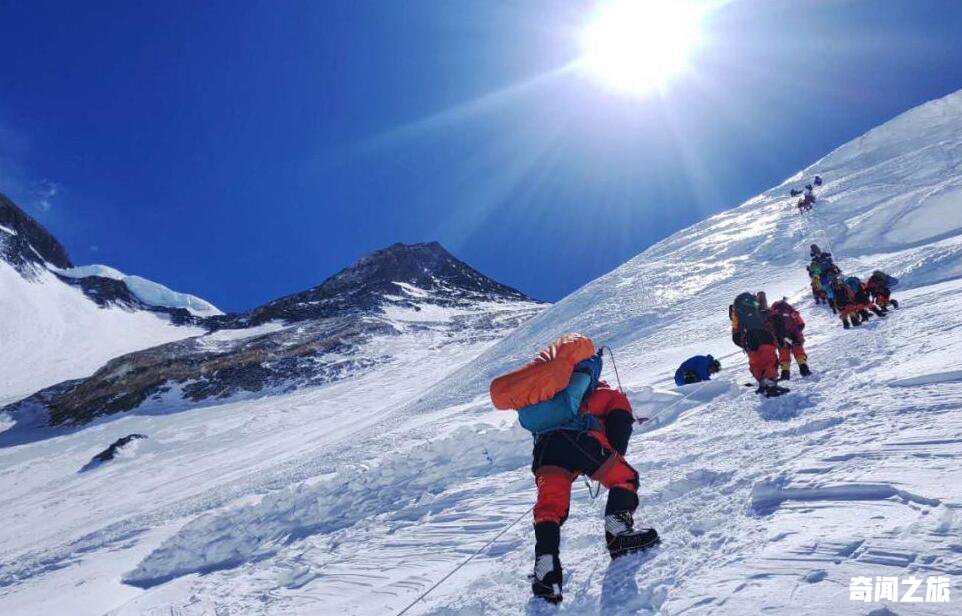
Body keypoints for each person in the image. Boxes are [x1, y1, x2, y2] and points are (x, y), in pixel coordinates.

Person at [528, 364, 658, 603]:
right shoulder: (607, 393)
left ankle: (546, 570)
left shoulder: (552, 398)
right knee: (625, 477)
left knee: (550, 507)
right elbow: (619, 427)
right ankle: (619, 534)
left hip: (544, 451)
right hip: (579, 440)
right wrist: (612, 456)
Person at [730, 291, 785, 397]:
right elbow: (776, 318)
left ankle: (762, 383)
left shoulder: (738, 313)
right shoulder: (758, 306)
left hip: (748, 339)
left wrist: (744, 344)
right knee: (770, 360)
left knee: (756, 362)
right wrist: (780, 335)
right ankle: (771, 385)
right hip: (764, 335)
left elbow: (735, 332)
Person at [768, 299, 811, 380]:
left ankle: (785, 374)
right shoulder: (791, 310)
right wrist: (797, 333)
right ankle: (804, 369)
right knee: (799, 352)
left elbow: (770, 328)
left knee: (784, 355)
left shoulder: (772, 313)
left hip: (781, 338)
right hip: (794, 335)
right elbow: (801, 323)